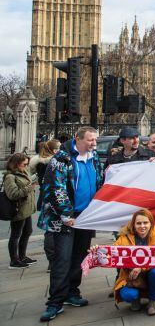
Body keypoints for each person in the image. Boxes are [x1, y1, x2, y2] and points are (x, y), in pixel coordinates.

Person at [38, 126, 103, 322]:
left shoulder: (94, 157)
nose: (94, 144)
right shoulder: (61, 159)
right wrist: (66, 214)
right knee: (62, 260)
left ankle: (71, 292)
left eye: (95, 140)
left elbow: (100, 181)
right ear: (78, 139)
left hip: (85, 216)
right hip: (64, 219)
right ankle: (55, 302)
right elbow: (55, 188)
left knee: (79, 256)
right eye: (90, 140)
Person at [111, 208, 155, 315]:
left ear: (151, 223)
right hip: (131, 277)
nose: (142, 226)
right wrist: (97, 249)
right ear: (133, 224)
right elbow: (112, 252)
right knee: (128, 295)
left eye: (145, 223)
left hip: (151, 275)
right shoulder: (124, 237)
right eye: (138, 223)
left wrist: (141, 267)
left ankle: (152, 302)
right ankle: (135, 299)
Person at [30, 139, 60, 271]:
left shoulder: (39, 162)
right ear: (54, 150)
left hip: (44, 196)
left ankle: (52, 261)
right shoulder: (54, 162)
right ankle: (54, 260)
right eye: (58, 148)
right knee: (53, 230)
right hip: (54, 196)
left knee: (50, 230)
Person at [4, 153, 37, 268]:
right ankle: (14, 260)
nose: (26, 166)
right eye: (24, 164)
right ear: (16, 164)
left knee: (27, 231)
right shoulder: (10, 177)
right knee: (15, 234)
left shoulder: (23, 172)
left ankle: (22, 256)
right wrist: (30, 187)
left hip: (26, 208)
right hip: (18, 210)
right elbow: (13, 194)